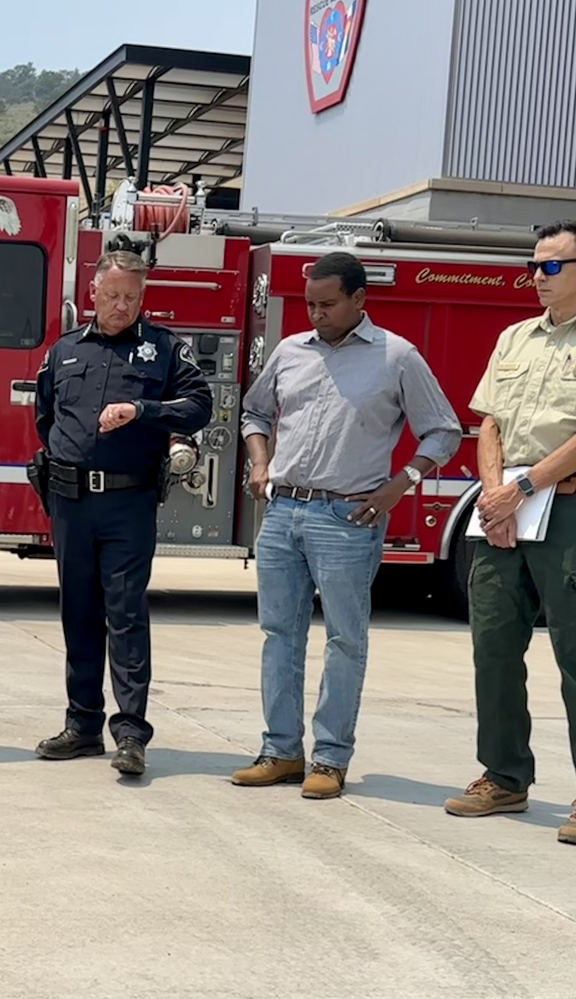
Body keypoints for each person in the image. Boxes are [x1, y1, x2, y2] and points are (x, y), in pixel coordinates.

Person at [445, 218, 576, 846]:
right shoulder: (513, 338)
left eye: (552, 266)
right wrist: (496, 497)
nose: (538, 276)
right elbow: (487, 425)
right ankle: (504, 775)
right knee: (494, 650)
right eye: (534, 266)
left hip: (572, 511)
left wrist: (524, 489)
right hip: (506, 508)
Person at [231, 252, 461, 797]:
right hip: (283, 510)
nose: (316, 314)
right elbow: (254, 411)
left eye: (328, 304)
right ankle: (280, 752)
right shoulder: (290, 352)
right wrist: (260, 461)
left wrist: (400, 482)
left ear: (359, 299)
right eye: (310, 303)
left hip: (347, 517)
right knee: (278, 635)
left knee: (344, 640)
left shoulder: (396, 357)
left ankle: (330, 759)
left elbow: (443, 431)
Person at [32, 244, 212, 778]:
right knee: (78, 614)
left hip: (128, 503)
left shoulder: (164, 350)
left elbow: (199, 406)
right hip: (70, 502)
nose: (120, 306)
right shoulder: (64, 352)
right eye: (111, 295)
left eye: (131, 297)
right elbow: (46, 418)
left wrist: (143, 411)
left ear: (143, 296)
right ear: (92, 292)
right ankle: (82, 725)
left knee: (126, 615)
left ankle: (130, 733)